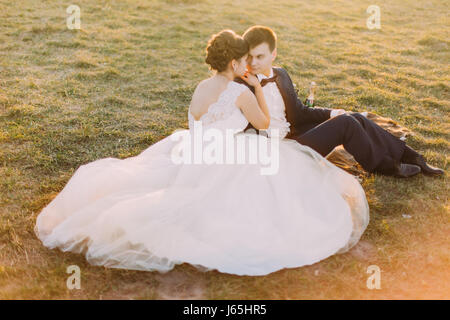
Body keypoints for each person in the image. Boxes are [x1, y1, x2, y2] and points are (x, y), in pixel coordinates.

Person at [34, 30, 369, 276]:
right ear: (235, 62)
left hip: (193, 151)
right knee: (261, 194)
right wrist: (255, 89)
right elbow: (264, 123)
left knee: (159, 189)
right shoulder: (240, 93)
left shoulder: (201, 87)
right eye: (243, 60)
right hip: (229, 154)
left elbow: (195, 121)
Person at [235, 25, 444, 178]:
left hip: (295, 133)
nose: (253, 63)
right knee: (346, 125)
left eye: (259, 57)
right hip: (282, 150)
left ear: (274, 54)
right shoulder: (240, 84)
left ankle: (412, 156)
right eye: (249, 56)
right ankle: (387, 166)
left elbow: (299, 112)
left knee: (351, 117)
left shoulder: (281, 74)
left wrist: (331, 113)